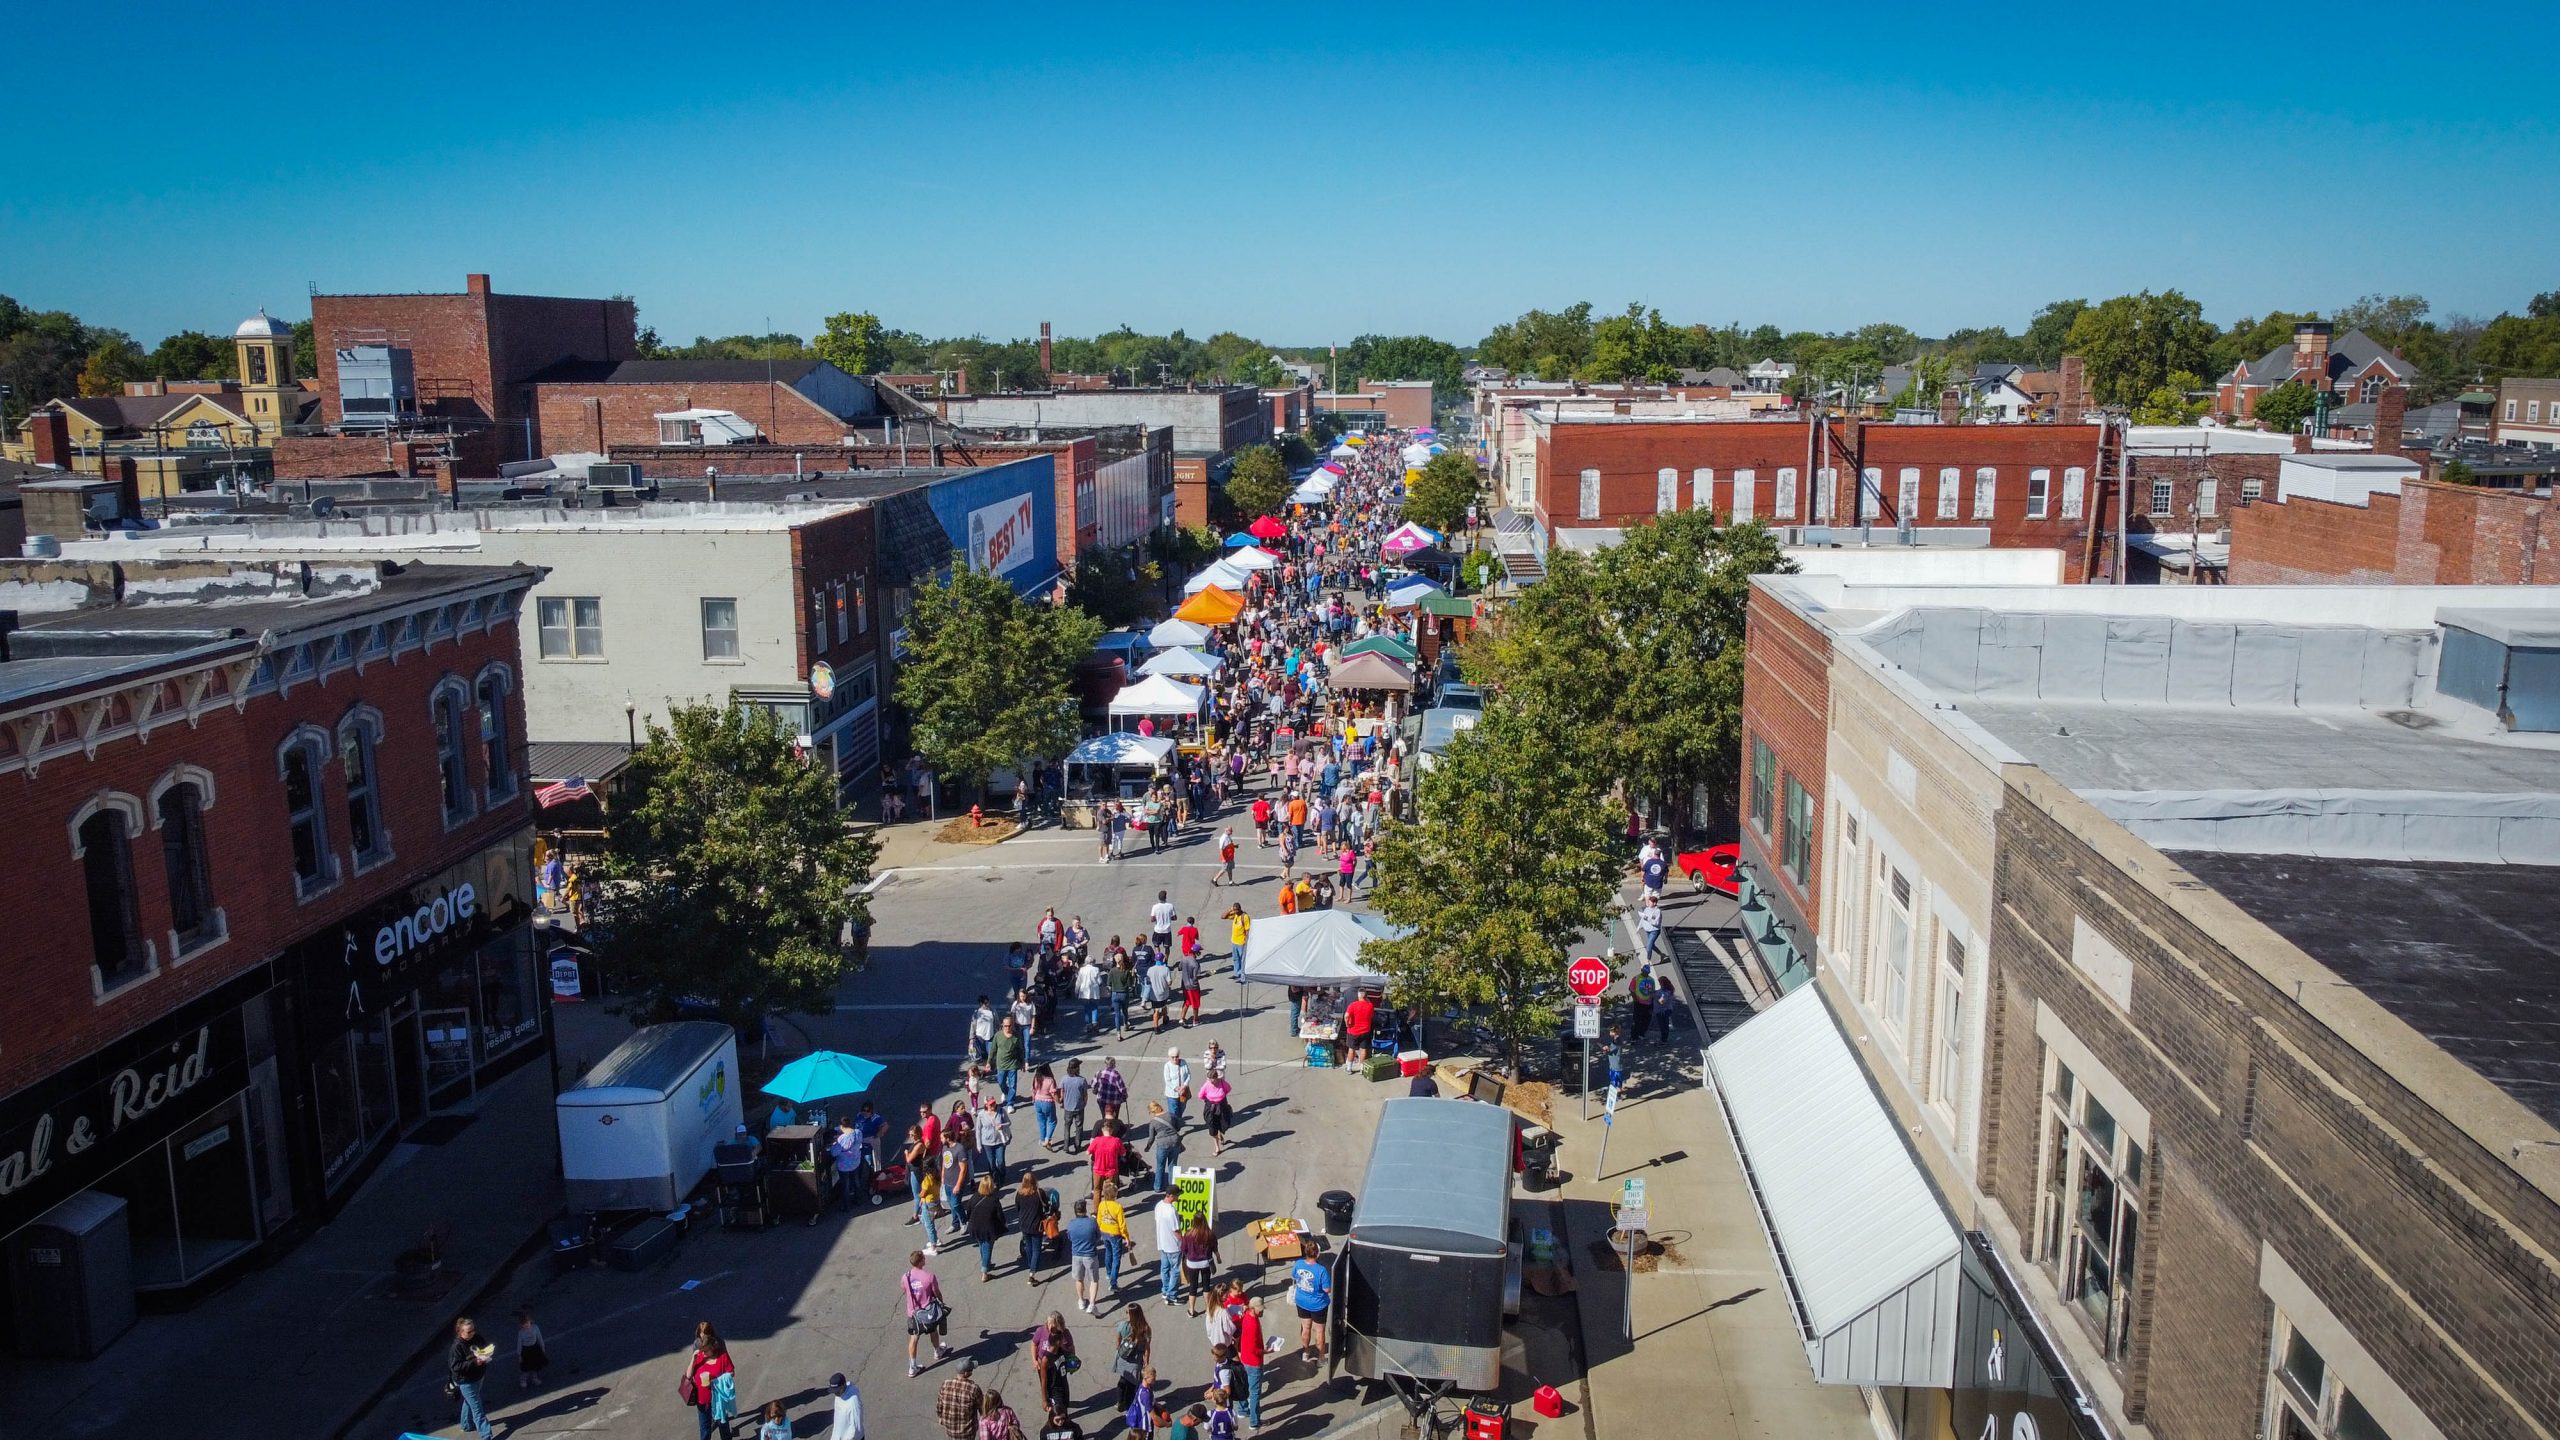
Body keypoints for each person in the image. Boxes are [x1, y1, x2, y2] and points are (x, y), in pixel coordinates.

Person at [905, 1250, 954, 1377]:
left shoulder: (906, 1277)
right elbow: (936, 1292)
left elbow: (904, 1289)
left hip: (913, 1313)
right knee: (933, 1331)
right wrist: (942, 1302)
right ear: (921, 1261)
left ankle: (912, 1367)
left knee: (914, 1338)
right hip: (928, 1312)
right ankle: (937, 1351)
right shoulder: (929, 1276)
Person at [686, 1326, 739, 1440]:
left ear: (713, 1347)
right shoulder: (699, 1357)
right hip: (703, 1401)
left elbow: (731, 1372)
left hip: (719, 1400)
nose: (703, 1353)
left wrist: (716, 1380)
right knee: (705, 1429)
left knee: (723, 1426)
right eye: (702, 1350)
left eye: (705, 1351)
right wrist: (693, 1359)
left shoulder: (722, 1357)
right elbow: (688, 1376)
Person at [448, 1316, 496, 1440]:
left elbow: (484, 1347)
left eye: (473, 1330)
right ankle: (487, 1436)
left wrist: (486, 1353)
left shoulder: (477, 1338)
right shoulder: (457, 1347)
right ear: (460, 1332)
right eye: (469, 1332)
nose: (472, 1333)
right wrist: (475, 1362)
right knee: (477, 1408)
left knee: (469, 1402)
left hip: (478, 1376)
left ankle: (465, 1424)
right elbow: (456, 1367)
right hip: (466, 1381)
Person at [1031, 1310, 1078, 1417]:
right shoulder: (1046, 1358)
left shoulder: (1063, 1337)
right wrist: (1044, 1399)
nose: (1050, 1328)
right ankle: (1057, 1417)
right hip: (1050, 1378)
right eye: (1050, 1325)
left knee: (1065, 1398)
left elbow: (1071, 1349)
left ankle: (1062, 1410)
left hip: (1061, 1375)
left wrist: (1072, 1361)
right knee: (1055, 1401)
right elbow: (1034, 1344)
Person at [1291, 1241, 1332, 1361]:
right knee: (1319, 1331)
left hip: (1301, 1301)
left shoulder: (1298, 1264)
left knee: (1305, 1328)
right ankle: (1321, 1358)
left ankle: (1306, 1352)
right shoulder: (1321, 1270)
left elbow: (1294, 1276)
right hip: (1318, 1304)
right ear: (1318, 1254)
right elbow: (1327, 1289)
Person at [1113, 1305, 1154, 1418]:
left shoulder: (1123, 1325)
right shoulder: (1145, 1329)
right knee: (1131, 1386)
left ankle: (1120, 1402)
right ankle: (1128, 1408)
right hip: (1135, 1362)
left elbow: (1117, 1341)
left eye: (1127, 1312)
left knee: (1122, 1381)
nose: (1126, 1313)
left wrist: (1122, 1350)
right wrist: (1146, 1363)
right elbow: (1147, 1348)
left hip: (1122, 1359)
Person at [1066, 1197, 1105, 1312]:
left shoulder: (1071, 1224)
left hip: (1076, 1255)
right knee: (1094, 1280)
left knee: (1079, 1279)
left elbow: (1069, 1238)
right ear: (1085, 1210)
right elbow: (1098, 1236)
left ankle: (1081, 1300)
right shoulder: (1092, 1222)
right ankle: (1092, 1304)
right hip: (1090, 1254)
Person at [965, 1176, 1008, 1281]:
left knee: (981, 1245)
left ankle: (986, 1263)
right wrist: (1004, 1224)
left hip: (975, 1227)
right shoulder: (994, 1200)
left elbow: (968, 1212)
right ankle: (985, 1271)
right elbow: (1000, 1216)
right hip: (988, 1229)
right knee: (987, 1247)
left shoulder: (974, 1197)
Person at [1235, 1298, 1267, 1427]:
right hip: (1254, 1362)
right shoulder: (1253, 1323)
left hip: (1245, 1359)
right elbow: (1255, 1349)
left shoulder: (1247, 1316)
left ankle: (1242, 1410)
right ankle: (1255, 1422)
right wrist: (1267, 1351)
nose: (1262, 1312)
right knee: (1254, 1393)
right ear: (1253, 1308)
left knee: (1243, 1386)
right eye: (1260, 1309)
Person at [1096, 1179, 1131, 1295]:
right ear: (1114, 1194)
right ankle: (1113, 1282)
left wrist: (1099, 1231)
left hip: (1104, 1232)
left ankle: (1108, 1272)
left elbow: (1099, 1220)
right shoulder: (1118, 1207)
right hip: (1115, 1234)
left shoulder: (1101, 1204)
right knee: (1117, 1257)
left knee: (1108, 1252)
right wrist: (1126, 1237)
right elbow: (1122, 1224)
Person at [936, 1359, 985, 1440]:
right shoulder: (973, 1389)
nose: (972, 1371)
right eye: (971, 1370)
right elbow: (982, 1408)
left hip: (950, 1428)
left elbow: (939, 1405)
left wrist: (940, 1417)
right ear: (965, 1373)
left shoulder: (945, 1384)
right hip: (967, 1431)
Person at [1178, 1214, 1218, 1312]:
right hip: (1205, 1262)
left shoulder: (1188, 1234)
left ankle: (1191, 1310)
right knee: (1206, 1286)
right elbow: (1214, 1247)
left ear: (1194, 1221)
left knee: (1193, 1286)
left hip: (1192, 1263)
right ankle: (1208, 1309)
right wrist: (1218, 1257)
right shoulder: (1209, 1233)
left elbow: (1183, 1249)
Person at [1014, 1172, 1048, 1283]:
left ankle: (1030, 1264)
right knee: (1037, 1248)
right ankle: (1032, 1273)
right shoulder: (1039, 1193)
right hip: (1036, 1225)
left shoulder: (1019, 1194)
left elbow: (1017, 1208)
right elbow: (1046, 1205)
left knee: (1028, 1246)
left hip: (1024, 1224)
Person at [1146, 1100, 1185, 1196]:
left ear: (1152, 1111)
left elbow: (1151, 1138)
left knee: (1160, 1166)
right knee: (1172, 1165)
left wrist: (1148, 1147)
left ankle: (1158, 1187)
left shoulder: (1153, 1122)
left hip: (1162, 1144)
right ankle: (1172, 1187)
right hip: (1175, 1142)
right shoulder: (1170, 1115)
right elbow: (1179, 1126)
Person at [1154, 1193, 1184, 1305]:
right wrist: (1183, 1241)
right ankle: (1172, 1296)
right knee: (1175, 1271)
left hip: (1162, 1243)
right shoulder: (1171, 1211)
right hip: (1173, 1246)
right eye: (1177, 1195)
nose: (1178, 1197)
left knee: (1164, 1268)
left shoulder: (1158, 1205)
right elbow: (1176, 1230)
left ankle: (1165, 1290)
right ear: (1171, 1196)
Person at [977, 1092, 1012, 1183]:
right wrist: (979, 1145)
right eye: (990, 1104)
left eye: (994, 1102)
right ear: (986, 1105)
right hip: (987, 1143)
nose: (993, 1105)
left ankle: (1002, 1177)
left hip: (1000, 1141)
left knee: (1000, 1162)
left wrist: (1002, 1125)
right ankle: (993, 1179)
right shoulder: (981, 1115)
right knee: (991, 1163)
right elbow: (978, 1130)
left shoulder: (1001, 1111)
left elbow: (1009, 1123)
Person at [992, 1018, 1026, 1109]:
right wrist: (989, 1062)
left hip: (1012, 1064)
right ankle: (1006, 1092)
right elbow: (993, 1050)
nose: (1007, 1028)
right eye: (1005, 1026)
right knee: (1001, 1082)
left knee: (1013, 1085)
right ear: (1002, 1025)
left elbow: (1020, 1050)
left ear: (1012, 1025)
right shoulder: (998, 1036)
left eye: (1009, 1026)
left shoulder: (1016, 1036)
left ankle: (1010, 1103)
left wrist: (1023, 1062)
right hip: (1001, 1064)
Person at [514, 1304, 548, 1391]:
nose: (526, 1326)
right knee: (526, 1367)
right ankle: (523, 1379)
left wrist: (542, 1347)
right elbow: (519, 1344)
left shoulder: (535, 1328)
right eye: (524, 1325)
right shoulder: (521, 1332)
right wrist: (519, 1355)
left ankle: (535, 1378)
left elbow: (539, 1338)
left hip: (535, 1349)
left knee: (535, 1365)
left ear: (530, 1321)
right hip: (526, 1351)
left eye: (527, 1323)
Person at [1201, 1070, 1234, 1154]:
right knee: (1212, 1127)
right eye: (1209, 1079)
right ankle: (1217, 1147)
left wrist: (1221, 1097)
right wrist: (1210, 1100)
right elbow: (1201, 1095)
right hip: (1211, 1107)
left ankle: (1220, 1133)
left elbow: (1228, 1089)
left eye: (1212, 1079)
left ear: (1216, 1078)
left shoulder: (1222, 1083)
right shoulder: (1207, 1085)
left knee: (1224, 1124)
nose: (1210, 1081)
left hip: (1222, 1106)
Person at [1059, 1059, 1091, 1148]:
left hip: (1068, 1107)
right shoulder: (1082, 1080)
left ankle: (1066, 1145)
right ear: (1077, 1068)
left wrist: (1062, 1101)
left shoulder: (1064, 1079)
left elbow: (1062, 1092)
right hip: (1079, 1107)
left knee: (1067, 1126)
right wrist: (1085, 1103)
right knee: (1079, 1127)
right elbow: (1085, 1094)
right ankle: (1077, 1146)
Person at [1029, 1064, 1061, 1150]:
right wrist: (1059, 1101)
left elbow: (1033, 1091)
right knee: (1052, 1121)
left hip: (1037, 1102)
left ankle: (1042, 1139)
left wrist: (1033, 1100)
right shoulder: (1050, 1080)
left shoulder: (1036, 1079)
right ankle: (1048, 1139)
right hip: (1047, 1102)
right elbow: (1053, 1093)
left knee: (1041, 1122)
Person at [1342, 989, 1376, 1065]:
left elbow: (1346, 1016)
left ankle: (1349, 1068)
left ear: (1358, 995)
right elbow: (1371, 1016)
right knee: (1363, 1049)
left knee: (1351, 1049)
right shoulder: (1370, 1005)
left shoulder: (1353, 1005)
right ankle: (1362, 1068)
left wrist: (1347, 1024)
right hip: (1365, 1030)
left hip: (1353, 1030)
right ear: (1366, 996)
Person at [828, 1373, 865, 1440]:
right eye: (834, 1391)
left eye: (837, 1391)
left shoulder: (853, 1404)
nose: (836, 1394)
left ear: (843, 1385)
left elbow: (855, 1429)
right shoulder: (839, 1395)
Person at [1162, 1049, 1193, 1129]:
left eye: (1176, 1057)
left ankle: (1177, 1122)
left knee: (1181, 1110)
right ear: (1169, 1057)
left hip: (1183, 1093)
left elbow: (1188, 1075)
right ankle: (1174, 1128)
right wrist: (1176, 1088)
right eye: (1172, 1057)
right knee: (1173, 1112)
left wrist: (1184, 1085)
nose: (1175, 1059)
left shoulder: (1183, 1062)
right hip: (1172, 1094)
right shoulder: (1167, 1066)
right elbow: (1167, 1080)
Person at [1629, 961, 1658, 1042]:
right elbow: (1632, 989)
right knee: (1636, 1020)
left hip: (1648, 1003)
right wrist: (1635, 999)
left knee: (1646, 1020)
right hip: (1639, 1003)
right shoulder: (1636, 978)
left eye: (1647, 972)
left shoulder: (1651, 980)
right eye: (1645, 972)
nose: (1646, 973)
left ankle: (1641, 1034)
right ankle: (1634, 1037)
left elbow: (1652, 991)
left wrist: (1652, 1001)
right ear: (1642, 971)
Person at [968, 996, 998, 1065]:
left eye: (988, 1002)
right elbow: (973, 1025)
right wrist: (971, 1038)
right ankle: (985, 1067)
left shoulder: (992, 1011)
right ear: (981, 1003)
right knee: (982, 1054)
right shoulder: (977, 1013)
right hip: (979, 1037)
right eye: (985, 1003)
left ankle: (990, 1066)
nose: (988, 1004)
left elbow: (997, 1022)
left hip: (990, 1036)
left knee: (991, 1054)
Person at [1226, 906, 1250, 981]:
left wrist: (1246, 941)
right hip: (1234, 941)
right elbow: (1223, 916)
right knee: (1235, 958)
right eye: (1234, 910)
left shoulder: (1245, 917)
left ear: (1239, 909)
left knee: (1242, 959)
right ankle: (1237, 973)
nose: (1235, 911)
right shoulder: (1235, 915)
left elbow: (1247, 929)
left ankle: (1243, 976)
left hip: (1241, 942)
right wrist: (1230, 910)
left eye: (1236, 910)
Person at [1638, 895, 1664, 962]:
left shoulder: (1657, 911)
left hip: (1654, 931)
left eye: (1650, 902)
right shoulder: (1647, 909)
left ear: (1655, 903)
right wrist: (1639, 927)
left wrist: (1648, 919)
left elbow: (1656, 923)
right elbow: (1643, 918)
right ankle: (1661, 954)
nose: (1648, 903)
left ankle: (1648, 961)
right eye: (1648, 902)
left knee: (1649, 947)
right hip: (1648, 930)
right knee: (1652, 945)